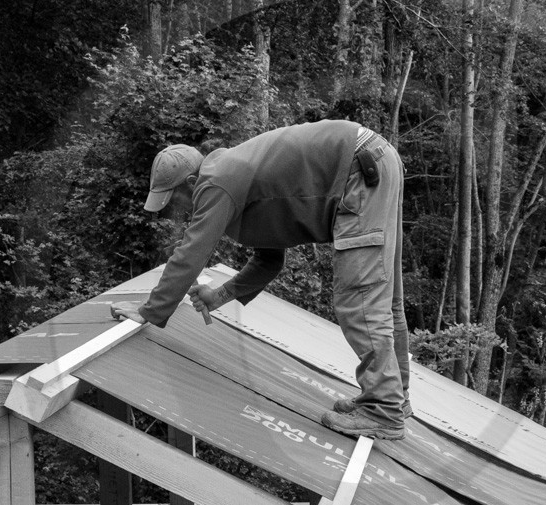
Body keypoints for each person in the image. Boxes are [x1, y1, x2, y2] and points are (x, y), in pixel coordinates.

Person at [111, 120, 410, 440]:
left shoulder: (216, 181)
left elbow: (190, 253)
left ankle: (384, 408)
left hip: (356, 169)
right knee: (384, 298)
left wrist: (149, 311)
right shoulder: (244, 180)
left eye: (174, 199)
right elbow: (269, 261)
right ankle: (395, 397)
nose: (176, 210)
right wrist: (219, 295)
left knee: (359, 297)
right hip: (370, 163)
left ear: (191, 181)